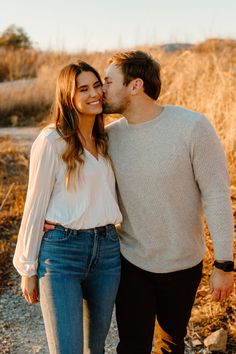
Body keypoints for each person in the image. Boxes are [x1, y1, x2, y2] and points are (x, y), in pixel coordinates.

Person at [102, 50, 235, 354]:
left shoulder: (192, 127)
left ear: (135, 86)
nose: (102, 88)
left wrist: (224, 263)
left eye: (109, 81)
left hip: (184, 263)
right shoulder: (109, 137)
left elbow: (215, 194)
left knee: (171, 344)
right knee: (132, 345)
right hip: (132, 260)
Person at [13, 61, 122, 354]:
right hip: (62, 254)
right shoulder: (51, 140)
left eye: (97, 85)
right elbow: (34, 203)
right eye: (83, 89)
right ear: (68, 97)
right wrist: (27, 267)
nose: (94, 94)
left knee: (94, 348)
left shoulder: (107, 139)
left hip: (108, 252)